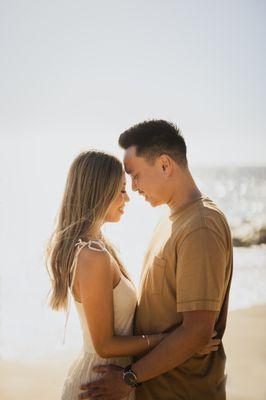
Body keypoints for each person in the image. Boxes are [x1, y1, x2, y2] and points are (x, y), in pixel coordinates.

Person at [46, 150, 219, 400]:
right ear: (99, 192)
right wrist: (175, 339)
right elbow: (105, 345)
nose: (127, 198)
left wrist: (183, 341)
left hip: (112, 378)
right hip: (100, 384)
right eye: (121, 190)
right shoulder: (93, 256)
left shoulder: (98, 246)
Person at [79, 120, 233, 400]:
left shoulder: (200, 225)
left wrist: (129, 377)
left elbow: (198, 330)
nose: (133, 187)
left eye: (135, 175)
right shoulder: (172, 219)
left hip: (183, 392)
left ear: (164, 165)